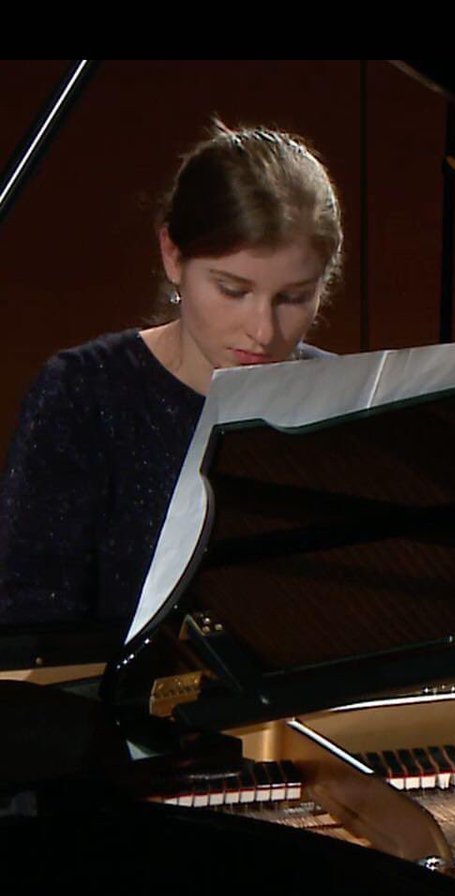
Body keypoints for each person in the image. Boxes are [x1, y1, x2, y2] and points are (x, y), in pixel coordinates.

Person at [0, 122, 343, 633]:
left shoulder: (345, 400)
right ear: (173, 256)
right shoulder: (84, 394)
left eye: (292, 298)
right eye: (232, 290)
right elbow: (31, 624)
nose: (263, 330)